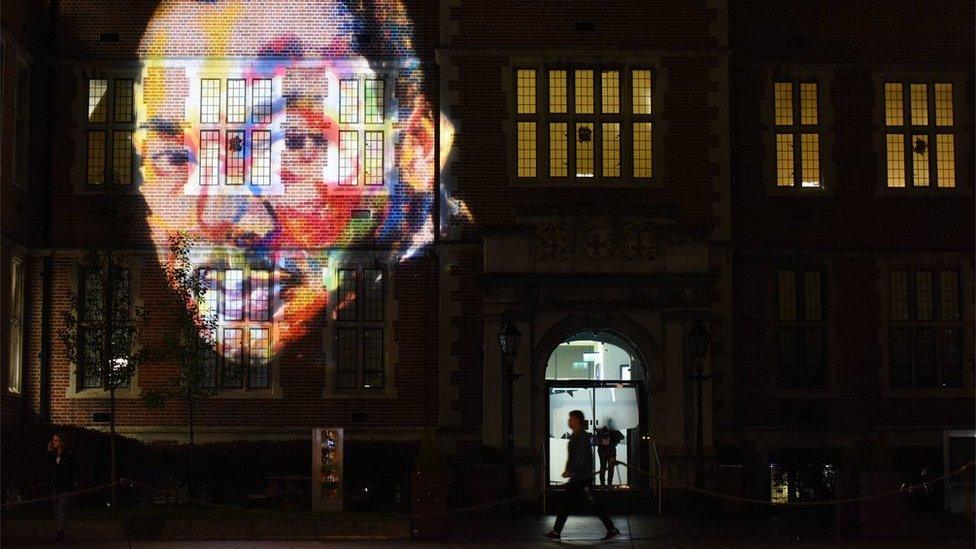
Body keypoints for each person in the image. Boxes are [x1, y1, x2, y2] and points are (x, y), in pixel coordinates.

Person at [545, 410, 620, 541]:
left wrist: (571, 470)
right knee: (569, 504)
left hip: (582, 478)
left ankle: (611, 529)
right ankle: (556, 531)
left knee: (592, 504)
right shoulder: (576, 436)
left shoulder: (581, 437)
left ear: (577, 420)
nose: (569, 421)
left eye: (571, 418)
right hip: (578, 478)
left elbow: (581, 457)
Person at [48, 433, 77, 542]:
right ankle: (59, 529)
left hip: (65, 486)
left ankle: (60, 531)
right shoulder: (53, 454)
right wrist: (50, 454)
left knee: (62, 508)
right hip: (55, 486)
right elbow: (51, 468)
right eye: (53, 440)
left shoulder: (68, 454)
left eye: (56, 440)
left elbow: (70, 469)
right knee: (56, 510)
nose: (54, 442)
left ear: (61, 442)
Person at [595, 419, 624, 486]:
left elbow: (597, 440)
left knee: (603, 467)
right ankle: (608, 484)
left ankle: (603, 484)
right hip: (610, 451)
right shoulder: (613, 430)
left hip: (603, 451)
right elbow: (621, 437)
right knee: (609, 468)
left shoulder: (602, 430)